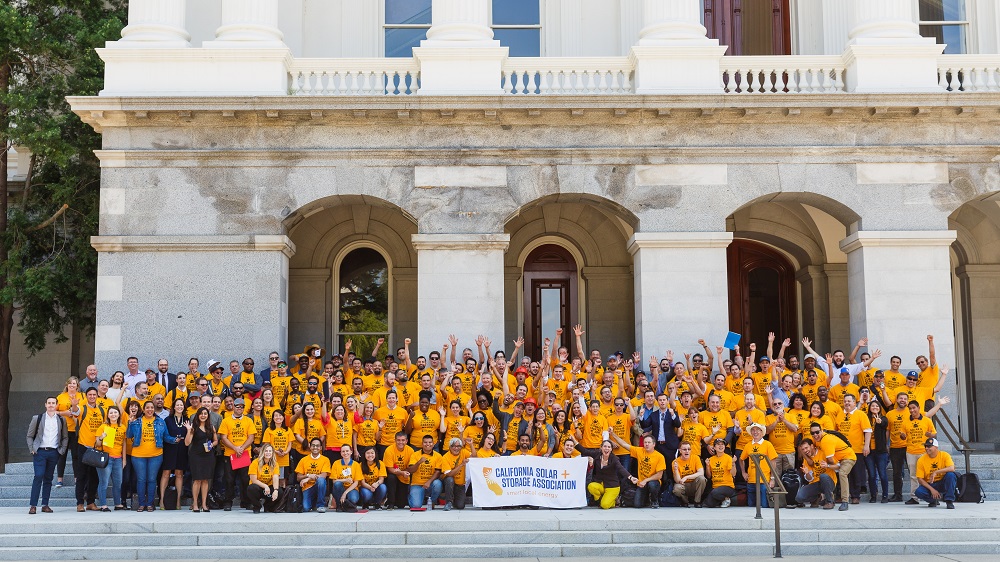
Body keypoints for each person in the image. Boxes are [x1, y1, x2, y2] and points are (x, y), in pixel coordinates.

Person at [126, 401, 171, 512]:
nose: (150, 409)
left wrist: (175, 440)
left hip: (156, 455)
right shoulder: (137, 421)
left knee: (151, 479)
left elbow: (166, 437)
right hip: (138, 455)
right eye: (147, 407)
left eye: (152, 407)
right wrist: (130, 423)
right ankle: (141, 504)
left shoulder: (160, 421)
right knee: (141, 479)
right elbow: (128, 435)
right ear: (144, 409)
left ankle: (150, 504)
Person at [26, 397, 68, 514]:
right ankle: (33, 505)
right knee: (38, 476)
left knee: (48, 478)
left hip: (54, 452)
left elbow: (65, 437)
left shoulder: (61, 419)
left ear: (56, 405)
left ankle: (45, 504)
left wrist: (62, 450)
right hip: (40, 452)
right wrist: (32, 449)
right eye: (49, 403)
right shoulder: (37, 418)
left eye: (53, 403)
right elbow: (29, 436)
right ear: (45, 405)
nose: (51, 405)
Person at [218, 397, 257, 511]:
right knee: (229, 479)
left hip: (244, 454)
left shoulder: (248, 420)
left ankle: (246, 502)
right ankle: (228, 502)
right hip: (230, 454)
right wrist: (235, 448)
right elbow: (223, 437)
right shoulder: (226, 420)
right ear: (233, 407)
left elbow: (251, 437)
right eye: (238, 406)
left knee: (245, 479)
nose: (240, 408)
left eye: (242, 406)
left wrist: (242, 448)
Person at [811, 422, 856, 511]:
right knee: (826, 473)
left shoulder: (826, 440)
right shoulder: (819, 440)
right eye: (812, 433)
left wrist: (832, 466)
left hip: (848, 458)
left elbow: (831, 460)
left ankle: (845, 502)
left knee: (842, 473)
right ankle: (828, 499)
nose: (815, 435)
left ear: (822, 430)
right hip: (838, 460)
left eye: (817, 432)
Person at [619, 434, 666, 508]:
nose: (647, 444)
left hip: (653, 482)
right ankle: (646, 499)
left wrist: (646, 480)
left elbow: (659, 475)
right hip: (641, 483)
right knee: (637, 505)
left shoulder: (660, 456)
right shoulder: (640, 451)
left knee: (652, 485)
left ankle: (654, 500)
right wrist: (612, 434)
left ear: (654, 444)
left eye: (649, 442)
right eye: (645, 442)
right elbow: (624, 444)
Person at [185, 406, 217, 512]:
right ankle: (195, 503)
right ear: (198, 415)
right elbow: (187, 442)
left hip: (208, 455)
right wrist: (189, 431)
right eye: (201, 413)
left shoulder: (211, 427)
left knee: (205, 480)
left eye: (205, 413)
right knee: (197, 479)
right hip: (196, 456)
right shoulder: (194, 427)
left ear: (208, 415)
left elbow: (216, 440)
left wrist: (212, 445)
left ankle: (204, 504)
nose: (203, 415)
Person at [584, 440, 633, 509]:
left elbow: (621, 469)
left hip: (612, 487)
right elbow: (584, 451)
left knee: (605, 506)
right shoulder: (597, 455)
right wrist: (574, 442)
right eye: (605, 446)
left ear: (611, 449)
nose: (606, 448)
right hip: (602, 485)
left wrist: (630, 477)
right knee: (591, 486)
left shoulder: (614, 459)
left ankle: (613, 501)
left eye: (609, 447)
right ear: (601, 448)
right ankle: (599, 499)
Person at [159, 398, 189, 510]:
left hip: (182, 449)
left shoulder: (187, 420)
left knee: (179, 473)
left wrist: (189, 430)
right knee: (166, 473)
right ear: (174, 407)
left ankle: (177, 501)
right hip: (170, 448)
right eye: (177, 405)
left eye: (181, 405)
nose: (180, 407)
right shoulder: (168, 419)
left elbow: (189, 435)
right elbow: (164, 435)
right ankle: (162, 500)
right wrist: (173, 440)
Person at [95, 406, 127, 511]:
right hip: (106, 458)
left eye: (115, 412)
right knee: (104, 482)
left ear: (119, 414)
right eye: (111, 413)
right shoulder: (103, 426)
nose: (113, 414)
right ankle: (103, 505)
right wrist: (101, 437)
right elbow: (97, 444)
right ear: (108, 415)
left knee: (118, 482)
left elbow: (124, 444)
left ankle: (118, 503)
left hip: (118, 458)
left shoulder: (123, 427)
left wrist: (124, 459)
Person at [740, 423, 778, 508]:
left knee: (765, 506)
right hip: (751, 481)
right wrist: (743, 472)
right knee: (751, 507)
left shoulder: (768, 444)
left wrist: (772, 478)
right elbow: (741, 459)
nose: (755, 432)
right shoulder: (748, 445)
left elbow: (773, 462)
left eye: (757, 430)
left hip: (764, 481)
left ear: (762, 432)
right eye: (753, 430)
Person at [914, 438, 957, 509]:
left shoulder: (944, 455)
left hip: (943, 482)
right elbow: (920, 479)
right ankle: (933, 500)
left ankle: (949, 500)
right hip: (930, 484)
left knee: (951, 475)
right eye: (926, 446)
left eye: (929, 446)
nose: (927, 448)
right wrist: (932, 490)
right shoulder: (921, 460)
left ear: (936, 447)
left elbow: (951, 468)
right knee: (918, 492)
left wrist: (936, 472)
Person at [795, 438, 837, 509]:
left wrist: (828, 465)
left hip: (829, 482)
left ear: (812, 446)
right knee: (799, 498)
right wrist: (807, 473)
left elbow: (838, 466)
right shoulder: (806, 460)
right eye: (803, 449)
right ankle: (817, 497)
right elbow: (810, 479)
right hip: (816, 484)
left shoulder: (823, 453)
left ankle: (829, 501)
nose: (805, 451)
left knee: (823, 476)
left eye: (806, 448)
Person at [295, 438, 331, 512]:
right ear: (310, 447)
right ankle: (314, 503)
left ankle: (321, 505)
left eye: (317, 446)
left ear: (321, 448)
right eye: (313, 445)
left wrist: (309, 478)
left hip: (319, 486)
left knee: (321, 480)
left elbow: (324, 475)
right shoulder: (303, 460)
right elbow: (298, 477)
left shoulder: (325, 459)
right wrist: (308, 475)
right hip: (307, 487)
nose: (315, 447)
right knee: (306, 508)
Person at [407, 434, 443, 509]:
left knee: (438, 484)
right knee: (416, 506)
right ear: (422, 444)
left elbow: (438, 472)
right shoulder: (415, 454)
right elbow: (410, 470)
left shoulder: (438, 456)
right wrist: (418, 463)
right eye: (425, 442)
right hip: (417, 484)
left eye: (430, 442)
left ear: (433, 444)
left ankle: (432, 501)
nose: (428, 444)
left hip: (430, 484)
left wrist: (429, 482)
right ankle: (412, 495)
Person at [865, 399, 890, 503]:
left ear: (880, 408)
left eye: (877, 406)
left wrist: (879, 421)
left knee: (882, 473)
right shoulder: (866, 419)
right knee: (871, 475)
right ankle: (873, 495)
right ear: (869, 408)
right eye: (872, 406)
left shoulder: (883, 418)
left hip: (881, 451)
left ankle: (885, 495)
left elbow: (884, 423)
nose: (874, 408)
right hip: (869, 451)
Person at [383, 431, 414, 509]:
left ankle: (395, 499)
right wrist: (401, 472)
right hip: (393, 475)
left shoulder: (410, 450)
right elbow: (389, 469)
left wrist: (404, 473)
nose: (401, 442)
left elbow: (410, 467)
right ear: (395, 440)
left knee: (401, 505)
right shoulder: (389, 450)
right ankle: (391, 502)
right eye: (398, 440)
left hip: (404, 477)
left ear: (406, 441)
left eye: (403, 440)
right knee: (391, 477)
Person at [703, 438, 737, 508]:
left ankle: (726, 499)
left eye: (722, 444)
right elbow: (709, 476)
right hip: (715, 486)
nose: (721, 446)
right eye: (718, 444)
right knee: (709, 504)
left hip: (727, 486)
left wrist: (733, 463)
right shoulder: (711, 459)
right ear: (714, 447)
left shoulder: (728, 458)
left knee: (715, 493)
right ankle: (722, 500)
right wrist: (707, 466)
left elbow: (733, 474)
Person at [672, 441, 707, 507]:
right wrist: (676, 470)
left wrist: (686, 477)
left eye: (689, 449)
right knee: (677, 489)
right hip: (684, 485)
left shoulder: (696, 458)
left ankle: (697, 501)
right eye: (684, 449)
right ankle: (685, 501)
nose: (687, 451)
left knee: (702, 479)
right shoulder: (675, 462)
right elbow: (678, 481)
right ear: (680, 450)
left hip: (694, 483)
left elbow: (701, 472)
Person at [440, 437, 471, 511]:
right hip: (450, 482)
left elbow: (475, 456)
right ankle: (448, 502)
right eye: (453, 446)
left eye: (458, 446)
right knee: (449, 479)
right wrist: (461, 465)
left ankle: (454, 500)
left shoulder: (464, 452)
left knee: (460, 506)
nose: (456, 448)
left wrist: (471, 445)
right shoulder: (445, 457)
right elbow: (449, 474)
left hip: (460, 484)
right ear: (450, 447)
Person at [247, 443, 280, 513]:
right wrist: (265, 486)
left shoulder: (275, 464)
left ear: (272, 453)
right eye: (266, 451)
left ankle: (268, 506)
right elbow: (253, 480)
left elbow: (275, 478)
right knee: (251, 488)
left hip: (269, 487)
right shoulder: (255, 462)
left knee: (280, 492)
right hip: (258, 486)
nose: (268, 453)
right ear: (262, 452)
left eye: (270, 451)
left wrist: (276, 490)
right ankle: (257, 506)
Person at [330, 445, 360, 511]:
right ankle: (339, 505)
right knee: (337, 484)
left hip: (352, 488)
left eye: (347, 451)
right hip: (339, 489)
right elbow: (334, 481)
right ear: (340, 453)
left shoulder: (356, 465)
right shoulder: (336, 463)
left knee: (353, 499)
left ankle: (346, 504)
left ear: (351, 452)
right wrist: (345, 480)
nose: (345, 453)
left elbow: (356, 482)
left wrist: (345, 493)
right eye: (343, 451)